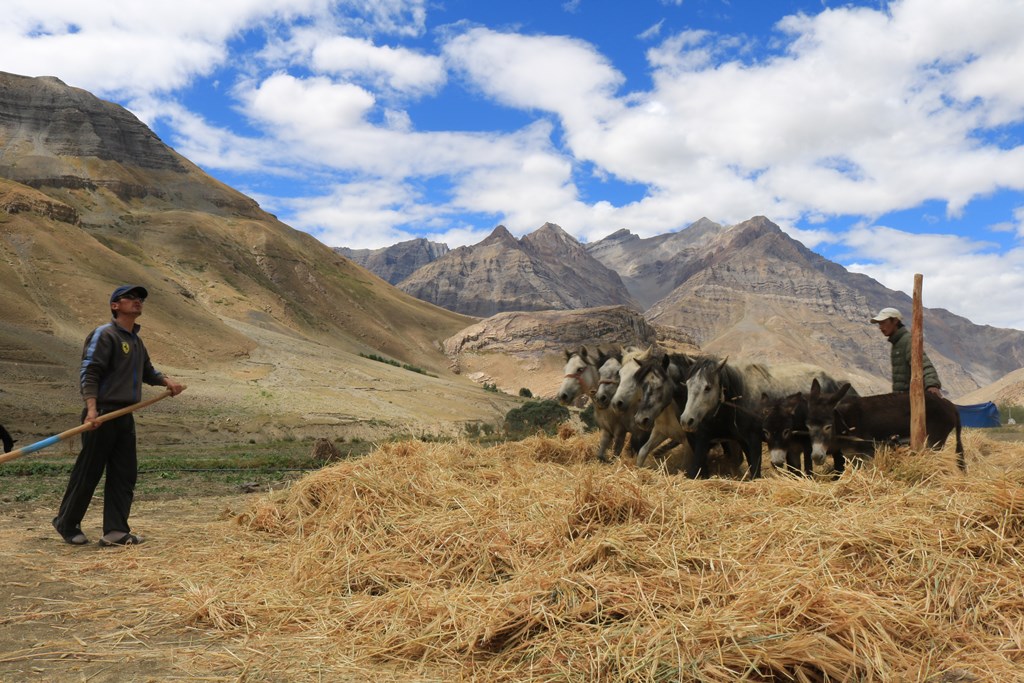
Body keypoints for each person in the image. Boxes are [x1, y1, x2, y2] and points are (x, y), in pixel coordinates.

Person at [52, 285, 184, 547]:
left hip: (125, 415)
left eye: (141, 299)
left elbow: (147, 370)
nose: (138, 302)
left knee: (124, 473)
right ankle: (66, 523)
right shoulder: (105, 335)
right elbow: (90, 372)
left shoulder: (135, 341)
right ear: (115, 305)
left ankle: (115, 531)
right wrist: (91, 410)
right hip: (102, 414)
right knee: (89, 471)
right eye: (131, 298)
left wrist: (166, 380)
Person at [870, 307, 943, 396]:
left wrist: (932, 385)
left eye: (883, 323)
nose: (880, 327)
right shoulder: (897, 343)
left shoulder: (908, 341)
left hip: (912, 400)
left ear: (895, 321)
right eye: (879, 324)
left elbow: (924, 364)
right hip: (902, 400)